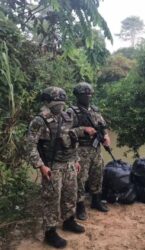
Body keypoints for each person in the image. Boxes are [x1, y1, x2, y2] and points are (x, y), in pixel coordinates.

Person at [26, 86, 96, 248]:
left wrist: (76, 159)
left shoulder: (66, 116)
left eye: (61, 101)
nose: (59, 104)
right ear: (47, 101)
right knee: (52, 199)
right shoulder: (40, 120)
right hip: (52, 166)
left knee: (70, 194)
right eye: (56, 100)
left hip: (70, 163)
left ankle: (69, 221)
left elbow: (71, 137)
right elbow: (30, 145)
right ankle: (50, 232)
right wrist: (40, 166)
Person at [67, 82, 110, 221]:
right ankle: (80, 207)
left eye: (89, 94)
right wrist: (83, 130)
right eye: (85, 94)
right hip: (80, 150)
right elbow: (66, 132)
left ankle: (96, 201)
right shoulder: (71, 112)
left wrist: (106, 136)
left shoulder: (95, 110)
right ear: (78, 96)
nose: (88, 96)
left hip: (96, 148)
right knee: (80, 179)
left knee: (97, 175)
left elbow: (103, 126)